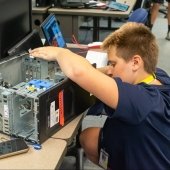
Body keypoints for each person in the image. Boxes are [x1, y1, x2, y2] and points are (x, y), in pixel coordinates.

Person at [29, 22, 170, 170]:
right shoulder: (157, 75)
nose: (111, 70)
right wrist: (102, 71)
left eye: (114, 64)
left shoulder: (143, 101)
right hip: (144, 141)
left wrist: (59, 53)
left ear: (135, 62)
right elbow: (108, 73)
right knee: (88, 137)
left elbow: (78, 72)